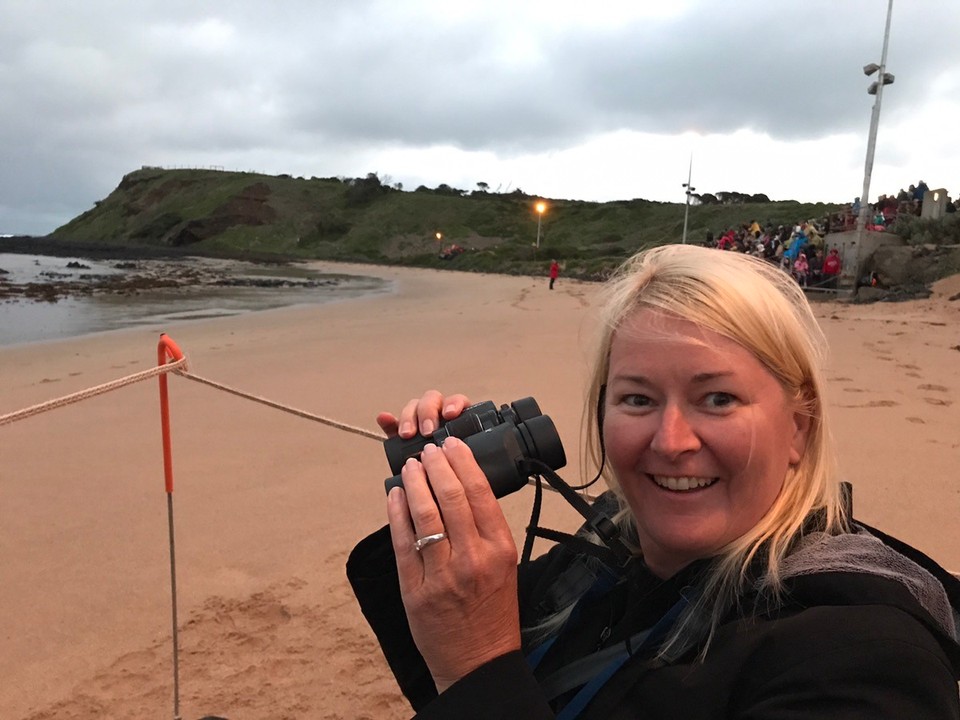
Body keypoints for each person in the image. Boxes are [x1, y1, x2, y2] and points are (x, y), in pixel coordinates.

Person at [348, 244, 960, 719]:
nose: (670, 441)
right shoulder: (607, 554)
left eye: (717, 398)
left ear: (798, 430)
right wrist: (430, 494)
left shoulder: (861, 656)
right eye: (638, 399)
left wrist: (477, 666)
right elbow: (445, 663)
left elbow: (476, 671)